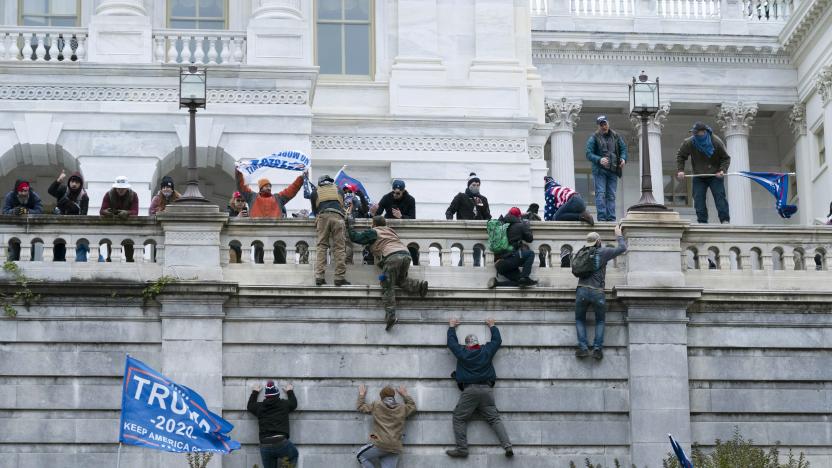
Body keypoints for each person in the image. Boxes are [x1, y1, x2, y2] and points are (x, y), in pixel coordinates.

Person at [446, 317, 513, 459]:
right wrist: (492, 326)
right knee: (494, 419)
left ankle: (462, 449)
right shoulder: (486, 351)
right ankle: (507, 446)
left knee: (459, 417)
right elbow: (497, 341)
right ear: (477, 343)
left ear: (467, 344)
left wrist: (451, 327)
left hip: (470, 390)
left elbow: (451, 343)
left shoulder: (462, 353)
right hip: (487, 390)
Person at [348, 215, 428, 330]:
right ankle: (419, 286)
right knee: (400, 280)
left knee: (387, 285)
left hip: (392, 257)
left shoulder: (374, 231)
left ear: (374, 224)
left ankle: (390, 315)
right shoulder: (391, 231)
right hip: (406, 255)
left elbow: (356, 238)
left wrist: (350, 226)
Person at [574, 226, 627, 360]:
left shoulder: (582, 252)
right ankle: (597, 349)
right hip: (597, 291)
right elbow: (622, 248)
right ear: (598, 241)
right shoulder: (603, 252)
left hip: (581, 290)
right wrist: (619, 235)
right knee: (600, 320)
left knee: (580, 319)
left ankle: (583, 348)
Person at [676, 121, 731, 224]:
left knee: (720, 197)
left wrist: (722, 170)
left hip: (715, 175)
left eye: (697, 132)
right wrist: (680, 170)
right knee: (698, 199)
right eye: (693, 132)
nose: (694, 134)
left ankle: (725, 220)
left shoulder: (716, 142)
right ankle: (702, 222)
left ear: (704, 132)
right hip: (699, 175)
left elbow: (726, 158)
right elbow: (680, 156)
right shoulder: (690, 142)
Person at [356, 384, 416, 468]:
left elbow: (361, 407)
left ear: (381, 397)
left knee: (360, 456)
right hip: (395, 447)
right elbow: (412, 406)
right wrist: (405, 395)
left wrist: (362, 394)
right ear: (393, 396)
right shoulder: (402, 408)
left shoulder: (376, 405)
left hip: (381, 444)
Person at [585, 115, 628, 222]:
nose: (604, 126)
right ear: (598, 126)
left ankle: (611, 218)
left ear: (608, 124)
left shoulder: (616, 136)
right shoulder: (594, 137)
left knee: (611, 195)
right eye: (601, 125)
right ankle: (602, 218)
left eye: (605, 124)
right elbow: (588, 154)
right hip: (600, 171)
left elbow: (623, 149)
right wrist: (599, 159)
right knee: (601, 194)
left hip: (613, 170)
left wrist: (623, 158)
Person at [310, 174, 350, 287]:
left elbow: (314, 210)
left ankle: (319, 276)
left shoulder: (315, 191)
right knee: (339, 248)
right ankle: (339, 278)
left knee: (322, 246)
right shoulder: (338, 189)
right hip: (338, 217)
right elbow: (342, 205)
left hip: (323, 217)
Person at [247, 380, 299, 468]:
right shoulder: (283, 404)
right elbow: (294, 404)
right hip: (281, 442)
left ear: (266, 396)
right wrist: (290, 391)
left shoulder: (260, 407)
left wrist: (255, 392)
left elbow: (250, 406)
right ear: (277, 394)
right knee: (293, 455)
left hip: (265, 444)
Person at [446, 172, 491, 266]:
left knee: (476, 259)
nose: (476, 187)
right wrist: (451, 224)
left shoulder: (483, 199)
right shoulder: (461, 197)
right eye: (474, 185)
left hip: (479, 232)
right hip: (464, 231)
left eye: (478, 185)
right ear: (469, 185)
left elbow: (487, 216)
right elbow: (450, 211)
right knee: (466, 256)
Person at [487, 207, 537, 288]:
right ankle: (525, 277)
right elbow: (530, 239)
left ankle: (496, 284)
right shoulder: (520, 225)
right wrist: (526, 226)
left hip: (499, 264)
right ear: (518, 216)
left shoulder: (500, 225)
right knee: (530, 254)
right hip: (510, 259)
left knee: (519, 282)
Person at [47, 170, 90, 261]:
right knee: (59, 252)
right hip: (60, 226)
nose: (74, 184)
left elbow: (83, 215)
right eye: (72, 181)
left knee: (72, 254)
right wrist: (59, 180)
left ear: (80, 184)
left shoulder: (84, 197)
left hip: (74, 228)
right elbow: (51, 191)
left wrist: (72, 207)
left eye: (77, 182)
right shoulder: (63, 189)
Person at [235, 166, 305, 219]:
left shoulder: (278, 198)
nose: (268, 188)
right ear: (260, 188)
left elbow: (292, 189)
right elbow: (241, 186)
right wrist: (238, 172)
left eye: (269, 186)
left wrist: (301, 178)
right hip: (256, 231)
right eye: (266, 186)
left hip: (274, 232)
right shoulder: (252, 197)